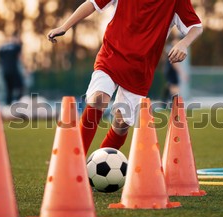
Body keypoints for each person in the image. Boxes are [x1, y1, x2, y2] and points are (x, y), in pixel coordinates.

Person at [47, 0, 203, 154]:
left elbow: (196, 27)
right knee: (98, 98)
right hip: (112, 55)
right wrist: (64, 26)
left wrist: (184, 43)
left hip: (140, 69)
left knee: (121, 124)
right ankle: (76, 161)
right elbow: (92, 3)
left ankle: (99, 162)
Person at [0, 35, 25, 105]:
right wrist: (26, 69)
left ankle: (8, 104)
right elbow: (21, 57)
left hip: (5, 71)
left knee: (9, 89)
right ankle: (18, 102)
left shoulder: (2, 47)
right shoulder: (16, 47)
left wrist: (2, 64)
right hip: (13, 70)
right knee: (20, 86)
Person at [161, 37, 189, 108]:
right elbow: (175, 63)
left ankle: (164, 105)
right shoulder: (175, 49)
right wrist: (182, 73)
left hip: (168, 70)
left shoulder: (169, 49)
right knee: (175, 88)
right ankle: (174, 107)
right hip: (171, 71)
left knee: (169, 86)